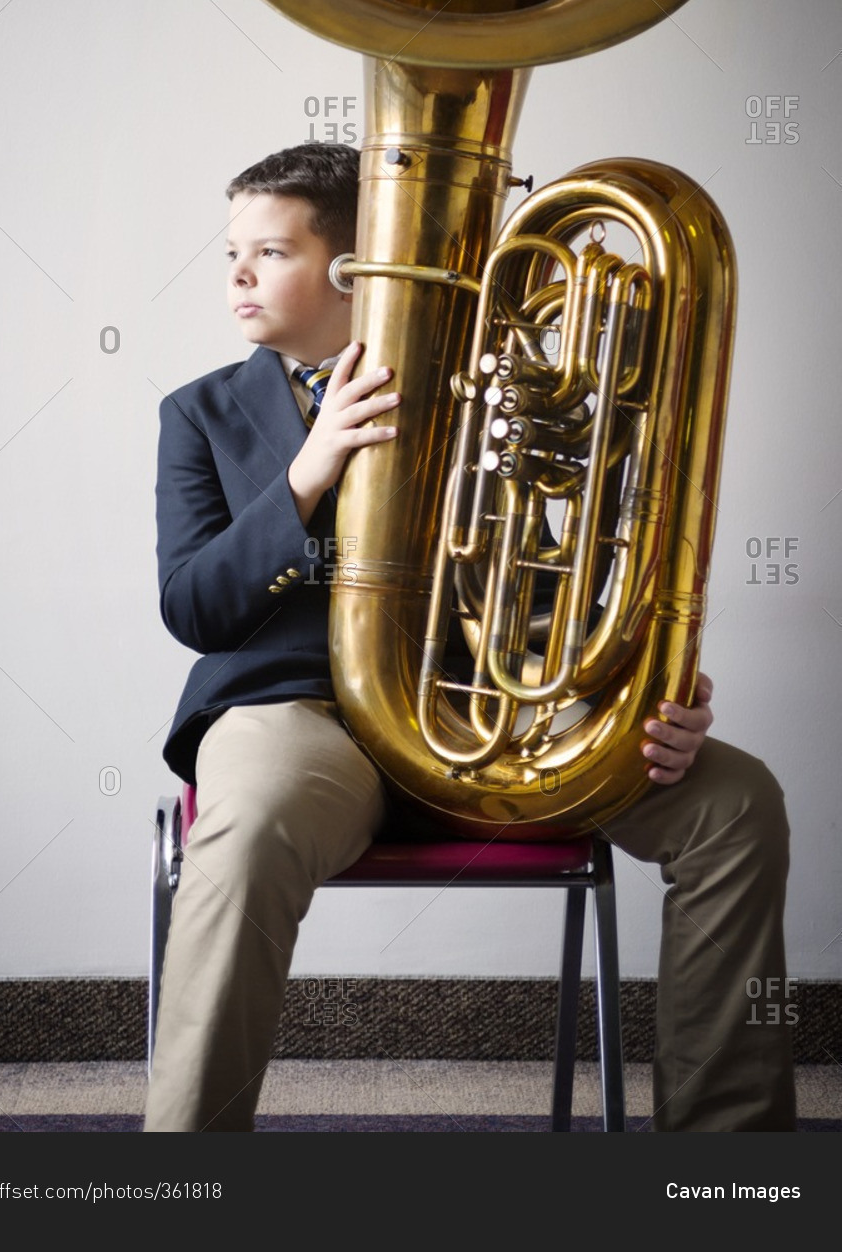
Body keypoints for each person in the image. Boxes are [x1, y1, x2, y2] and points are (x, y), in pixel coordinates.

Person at [143, 141, 795, 1134]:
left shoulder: (491, 386)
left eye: (269, 252)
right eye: (232, 252)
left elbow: (544, 587)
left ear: (357, 265)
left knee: (737, 801)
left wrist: (648, 681)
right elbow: (195, 606)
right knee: (249, 824)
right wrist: (306, 476)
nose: (236, 275)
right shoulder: (199, 414)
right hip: (298, 713)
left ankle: (726, 1163)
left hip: (479, 706)